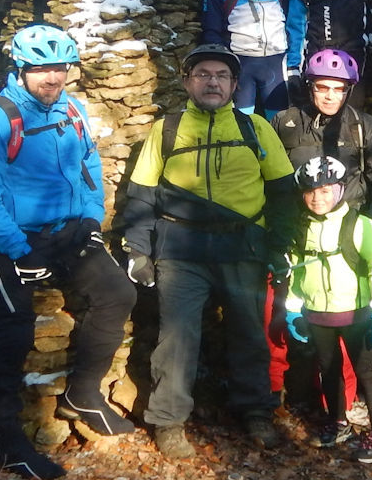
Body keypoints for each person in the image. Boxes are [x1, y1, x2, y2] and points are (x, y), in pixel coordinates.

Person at [0, 24, 137, 480]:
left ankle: (84, 393)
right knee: (12, 328)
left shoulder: (72, 108)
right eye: (41, 69)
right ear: (22, 68)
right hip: (7, 236)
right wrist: (19, 251)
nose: (52, 78)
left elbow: (89, 162)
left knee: (118, 294)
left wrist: (92, 218)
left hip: (67, 230)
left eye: (60, 67)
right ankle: (8, 438)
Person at [120, 44, 298, 458]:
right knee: (176, 338)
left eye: (221, 75)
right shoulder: (166, 129)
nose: (212, 82)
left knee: (249, 333)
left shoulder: (256, 128)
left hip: (243, 246)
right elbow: (142, 195)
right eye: (203, 74)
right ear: (187, 82)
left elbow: (283, 192)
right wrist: (138, 251)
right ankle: (167, 420)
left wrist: (280, 244)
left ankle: (255, 410)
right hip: (181, 249)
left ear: (235, 85)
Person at [282, 156, 372, 462]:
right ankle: (338, 421)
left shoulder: (362, 226)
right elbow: (297, 272)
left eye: (324, 190)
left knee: (366, 368)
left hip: (356, 312)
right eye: (310, 192)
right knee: (328, 367)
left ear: (340, 190)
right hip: (317, 313)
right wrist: (294, 310)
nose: (317, 198)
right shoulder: (301, 228)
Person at [270, 48, 372, 213]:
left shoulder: (363, 125)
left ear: (349, 90)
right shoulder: (285, 122)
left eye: (339, 89)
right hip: (296, 219)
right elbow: (270, 179)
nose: (330, 96)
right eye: (322, 87)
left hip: (349, 219)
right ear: (310, 87)